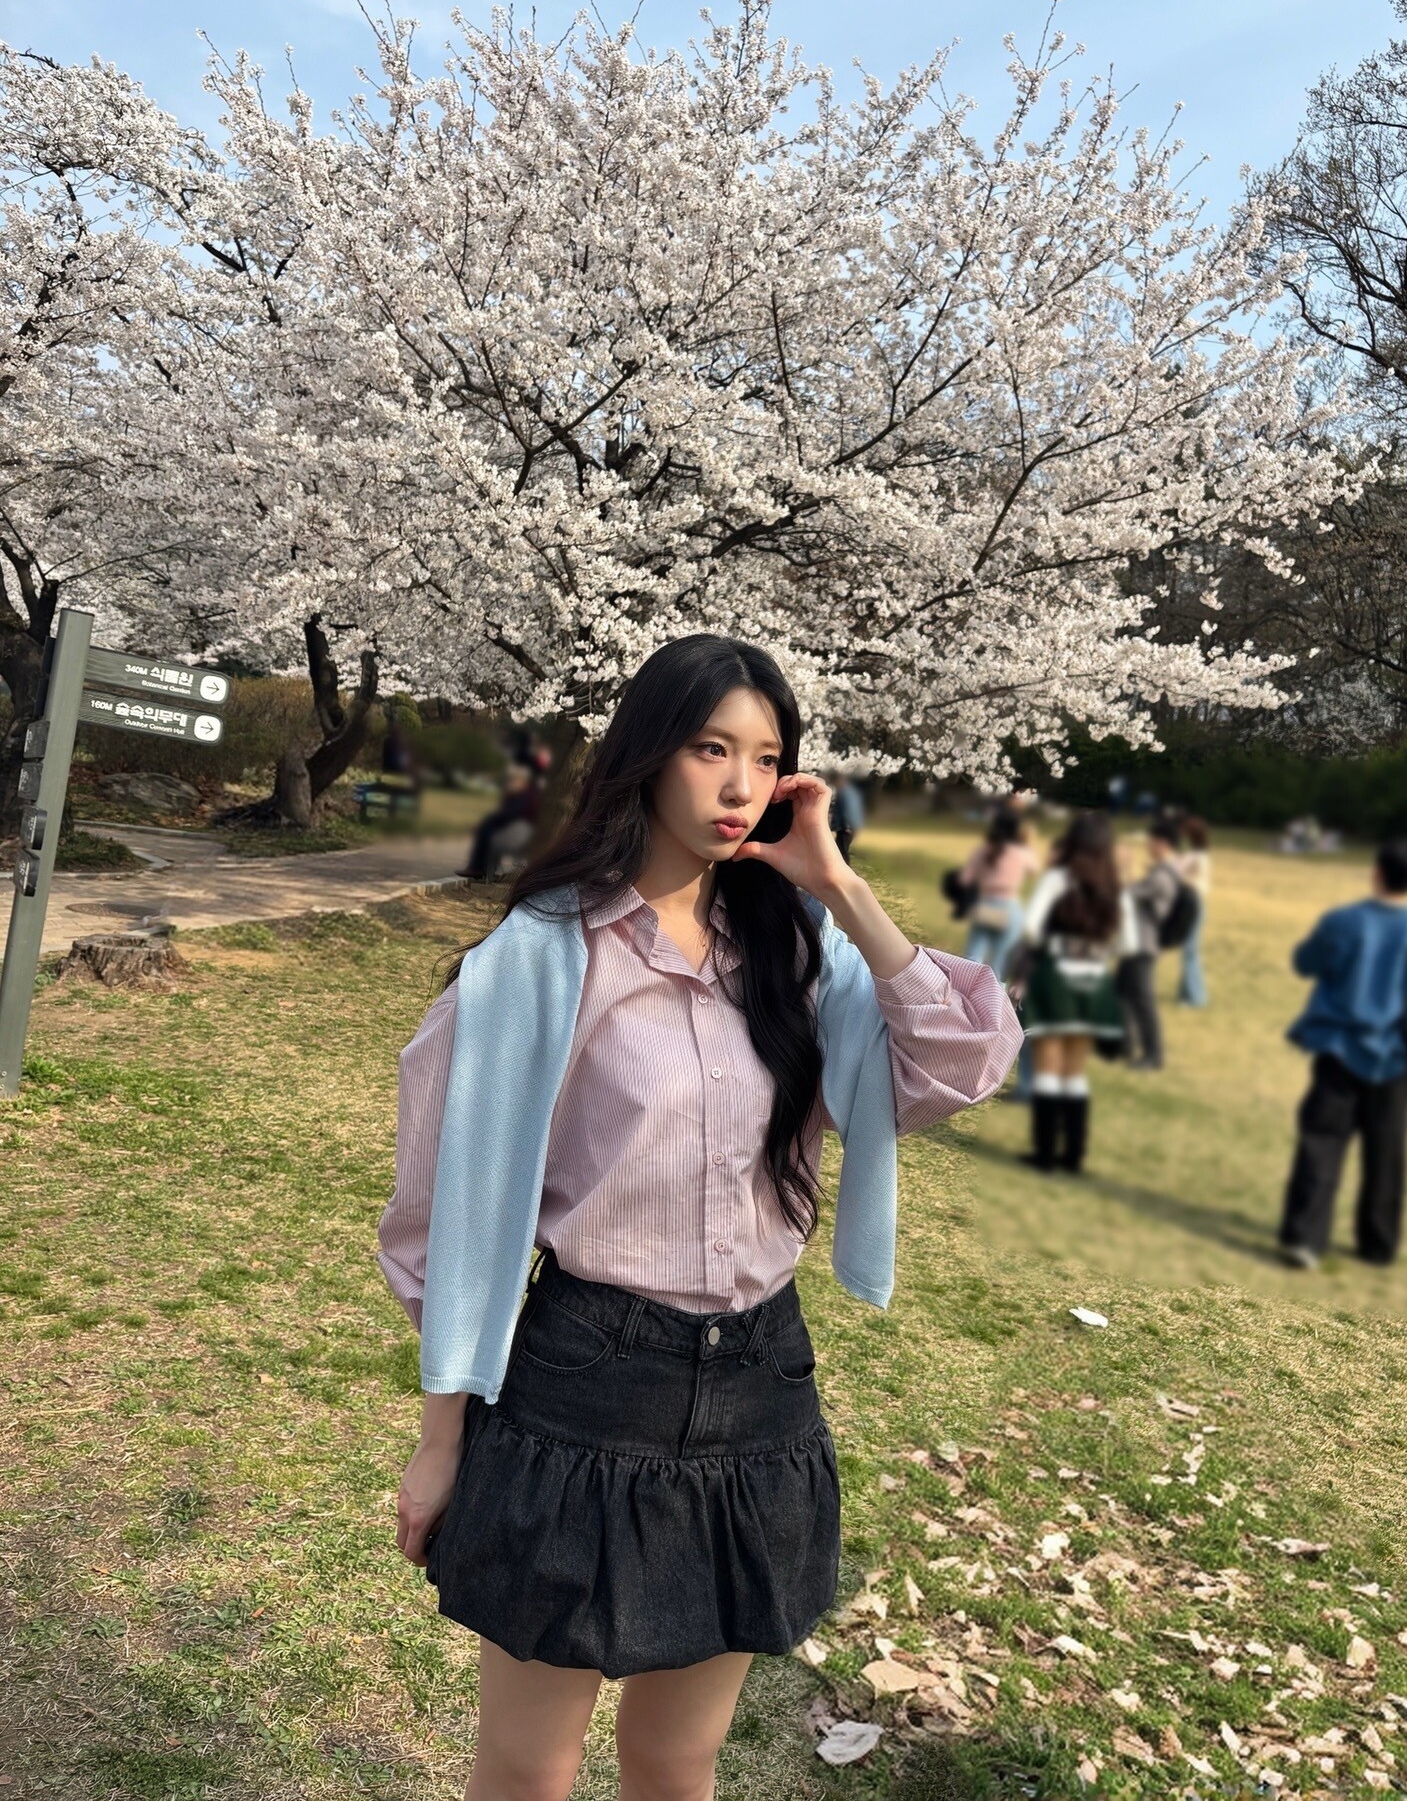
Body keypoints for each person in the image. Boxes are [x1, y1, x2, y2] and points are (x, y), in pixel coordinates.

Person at [376, 634, 1022, 1801]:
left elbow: (962, 1061)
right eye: (711, 748)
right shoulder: (543, 958)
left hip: (760, 1387)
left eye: (766, 759)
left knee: (678, 1761)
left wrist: (842, 888)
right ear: (648, 755)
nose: (740, 786)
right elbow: (439, 1216)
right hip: (586, 1383)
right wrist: (442, 1437)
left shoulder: (798, 952)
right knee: (528, 1766)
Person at [1277, 837, 1407, 1271]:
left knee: (1321, 1143)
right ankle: (1378, 1242)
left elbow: (1305, 963)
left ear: (1375, 872)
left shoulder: (1341, 921)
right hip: (1396, 1056)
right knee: (1387, 1151)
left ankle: (1304, 1237)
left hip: (1338, 1049)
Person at [1013, 811, 1138, 1172]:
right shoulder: (1116, 888)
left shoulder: (1057, 880)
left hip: (1055, 980)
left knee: (1049, 1069)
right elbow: (1129, 943)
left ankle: (1045, 1153)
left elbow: (1032, 929)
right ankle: (1073, 1154)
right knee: (1074, 1072)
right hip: (1093, 983)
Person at [1116, 817, 1185, 1070]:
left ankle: (1153, 1055)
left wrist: (1123, 868)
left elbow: (1127, 894)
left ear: (1162, 843)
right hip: (1136, 942)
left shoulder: (1162, 876)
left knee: (1142, 1001)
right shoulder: (1164, 872)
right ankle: (1125, 1045)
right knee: (1122, 994)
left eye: (1151, 841)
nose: (1148, 845)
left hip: (1142, 945)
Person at [960, 808, 1039, 973]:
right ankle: (994, 990)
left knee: (972, 956)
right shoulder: (1021, 852)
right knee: (1000, 961)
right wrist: (1026, 841)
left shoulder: (982, 851)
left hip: (985, 905)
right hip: (1009, 907)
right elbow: (1034, 869)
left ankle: (964, 985)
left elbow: (965, 879)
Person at [462, 763, 540, 881]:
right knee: (487, 830)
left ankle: (477, 869)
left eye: (513, 780)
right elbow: (503, 815)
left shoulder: (526, 796)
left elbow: (508, 815)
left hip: (520, 833)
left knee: (487, 832)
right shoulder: (519, 795)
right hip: (515, 831)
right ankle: (479, 869)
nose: (510, 784)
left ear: (522, 781)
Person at [1175, 815, 1211, 1007]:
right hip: (1190, 905)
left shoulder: (1197, 857)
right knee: (1188, 951)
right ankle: (1185, 994)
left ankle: (1197, 998)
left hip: (1193, 906)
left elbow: (1188, 878)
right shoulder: (1196, 855)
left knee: (1190, 952)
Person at [828, 771, 866, 863]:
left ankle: (845, 869)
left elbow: (847, 809)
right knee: (839, 849)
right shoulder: (852, 791)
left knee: (842, 851)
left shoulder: (844, 792)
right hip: (851, 825)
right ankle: (840, 867)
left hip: (845, 827)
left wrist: (847, 826)